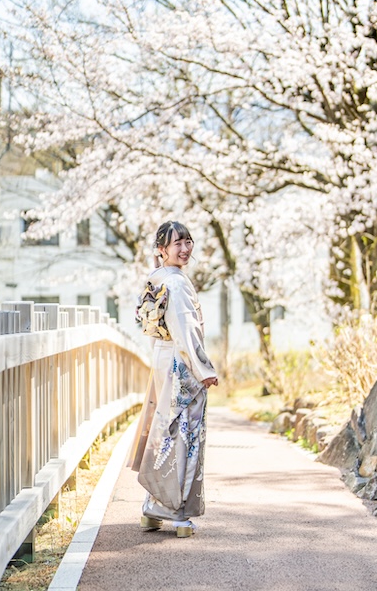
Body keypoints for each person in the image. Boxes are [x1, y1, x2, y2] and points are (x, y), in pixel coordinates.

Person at [128, 220, 218, 538]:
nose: (184, 249)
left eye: (188, 242)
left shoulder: (159, 279)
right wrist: (203, 369)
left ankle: (153, 506)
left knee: (165, 432)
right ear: (161, 250)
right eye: (176, 244)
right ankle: (177, 513)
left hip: (164, 360)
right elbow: (185, 330)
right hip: (182, 365)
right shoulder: (176, 284)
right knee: (184, 436)